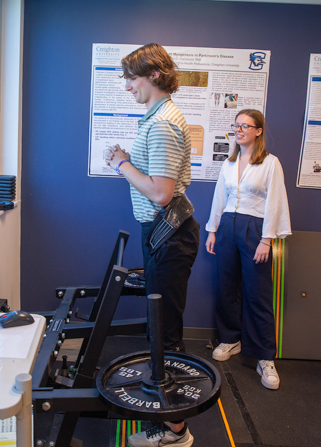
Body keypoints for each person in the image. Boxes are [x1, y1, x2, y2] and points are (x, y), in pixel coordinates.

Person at [104, 43, 198, 447]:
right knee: (161, 327)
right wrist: (128, 158)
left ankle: (175, 429)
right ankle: (172, 423)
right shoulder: (157, 117)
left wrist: (121, 164)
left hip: (167, 231)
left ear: (154, 76)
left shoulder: (161, 123)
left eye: (132, 79)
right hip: (164, 231)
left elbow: (160, 194)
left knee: (166, 334)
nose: (127, 87)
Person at [205, 109, 291, 390]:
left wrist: (267, 239)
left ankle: (265, 358)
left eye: (246, 125)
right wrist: (212, 230)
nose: (239, 130)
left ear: (258, 131)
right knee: (225, 288)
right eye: (237, 125)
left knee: (258, 293)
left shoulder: (270, 163)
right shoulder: (229, 162)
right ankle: (230, 339)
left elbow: (275, 202)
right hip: (228, 227)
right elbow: (220, 195)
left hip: (255, 229)